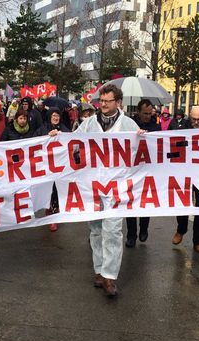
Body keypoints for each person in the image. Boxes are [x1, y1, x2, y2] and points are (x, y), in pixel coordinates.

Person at [75, 84, 140, 298]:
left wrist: (142, 138)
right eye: (101, 101)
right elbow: (73, 143)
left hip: (116, 187)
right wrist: (58, 137)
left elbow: (140, 150)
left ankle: (110, 276)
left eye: (107, 101)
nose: (102, 104)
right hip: (93, 184)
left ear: (118, 102)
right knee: (95, 229)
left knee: (112, 230)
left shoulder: (129, 124)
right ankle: (99, 270)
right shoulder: (89, 124)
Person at [171, 105, 199, 254]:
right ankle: (181, 229)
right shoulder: (180, 129)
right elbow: (170, 147)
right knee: (182, 202)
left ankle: (198, 242)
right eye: (193, 119)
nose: (195, 122)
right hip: (184, 172)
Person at [125, 99, 160, 248]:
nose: (147, 116)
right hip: (132, 168)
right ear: (138, 112)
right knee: (130, 202)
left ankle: (144, 228)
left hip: (148, 168)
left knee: (146, 200)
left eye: (149, 113)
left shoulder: (156, 126)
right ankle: (131, 235)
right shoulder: (129, 124)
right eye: (144, 113)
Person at [38, 107, 70, 233]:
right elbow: (35, 143)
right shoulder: (42, 129)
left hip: (60, 166)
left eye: (58, 115)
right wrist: (47, 137)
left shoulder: (65, 129)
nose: (56, 118)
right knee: (48, 190)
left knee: (57, 190)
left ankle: (54, 214)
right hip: (46, 166)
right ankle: (50, 211)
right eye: (53, 116)